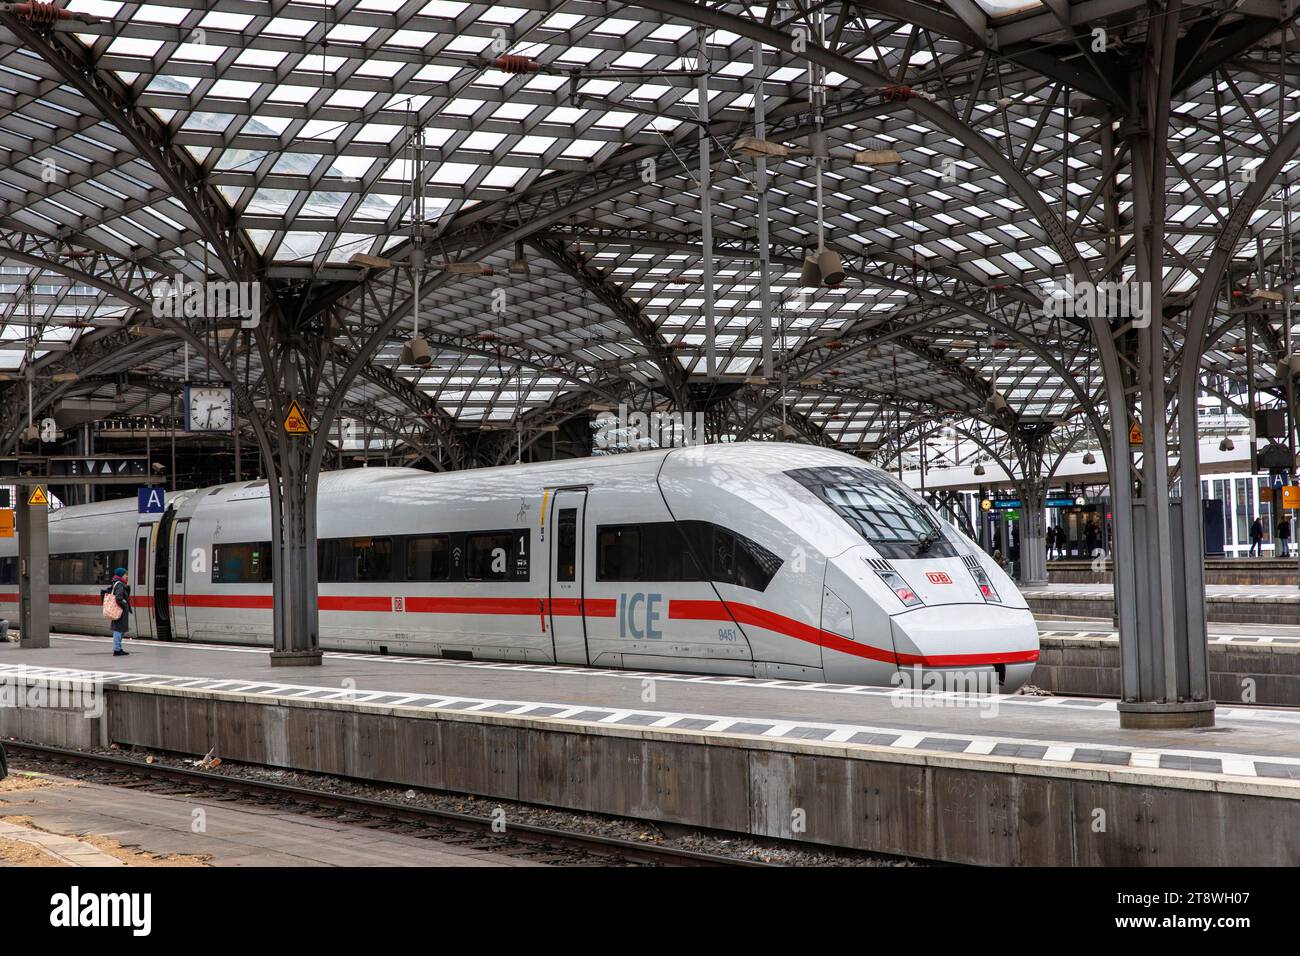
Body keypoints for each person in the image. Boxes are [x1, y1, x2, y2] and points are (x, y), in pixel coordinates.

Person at [104, 567, 131, 656]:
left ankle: (118, 648)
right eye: (125, 574)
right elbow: (119, 598)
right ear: (121, 575)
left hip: (118, 610)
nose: (127, 576)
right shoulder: (119, 584)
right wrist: (125, 605)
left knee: (119, 629)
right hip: (119, 610)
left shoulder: (117, 583)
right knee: (119, 630)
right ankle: (117, 649)